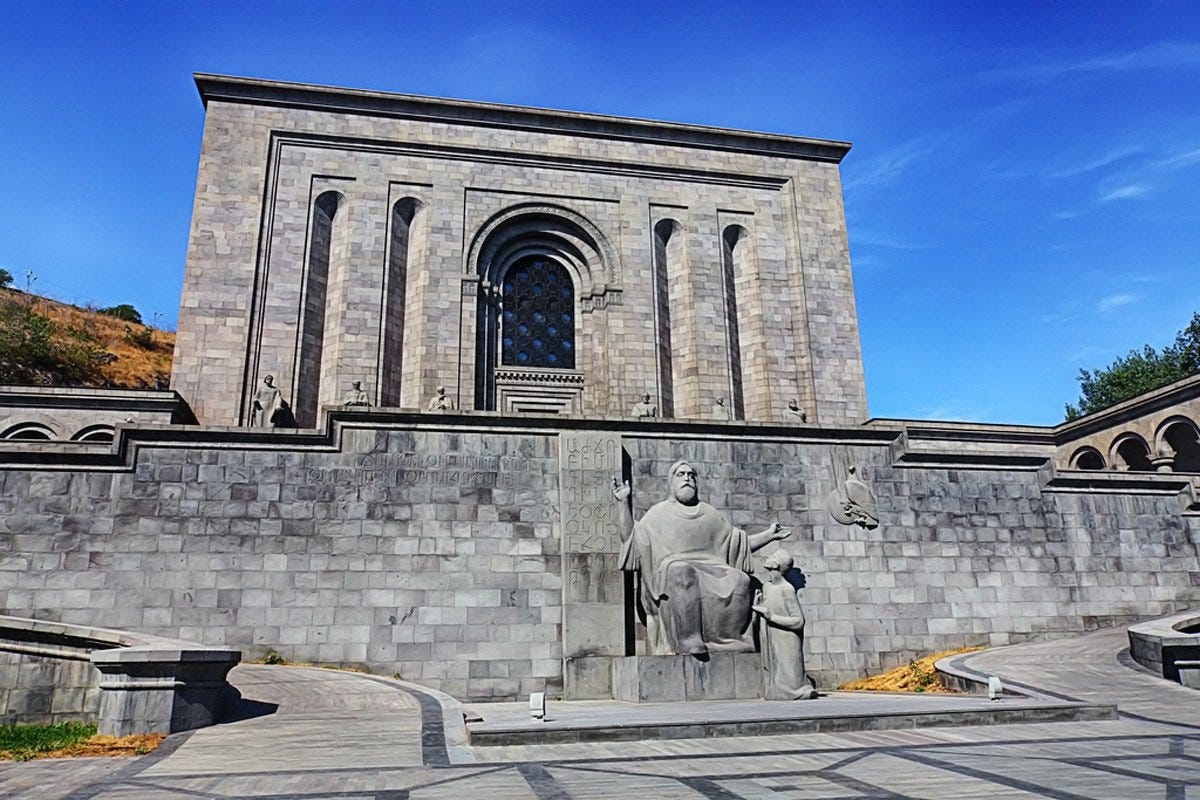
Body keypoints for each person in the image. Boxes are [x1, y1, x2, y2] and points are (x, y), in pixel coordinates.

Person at [612, 460, 791, 657]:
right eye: (681, 475)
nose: (687, 478)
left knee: (741, 579)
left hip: (712, 568)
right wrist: (623, 503)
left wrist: (769, 535)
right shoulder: (658, 513)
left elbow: (738, 544)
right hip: (672, 571)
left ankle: (734, 640)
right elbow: (631, 538)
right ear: (671, 482)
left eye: (691, 475)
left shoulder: (709, 514)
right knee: (681, 570)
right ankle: (688, 639)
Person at [753, 549, 817, 700]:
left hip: (787, 640)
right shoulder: (767, 587)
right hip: (772, 638)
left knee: (790, 680)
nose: (768, 557)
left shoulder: (787, 589)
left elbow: (798, 621)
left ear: (776, 565)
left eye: (773, 556)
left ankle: (801, 690)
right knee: (776, 678)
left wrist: (772, 616)